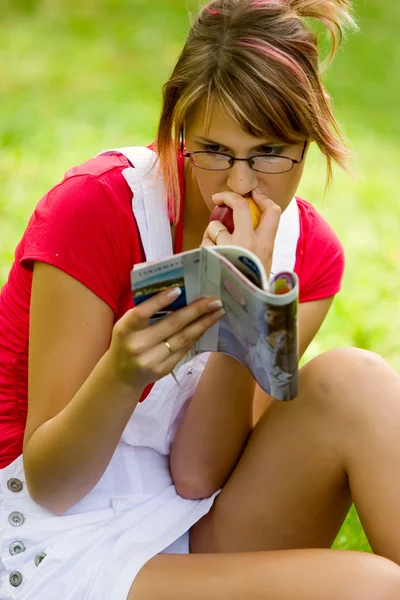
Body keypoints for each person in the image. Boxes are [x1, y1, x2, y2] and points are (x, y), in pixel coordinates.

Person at [1, 0, 400, 598]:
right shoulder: (96, 210)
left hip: (188, 516)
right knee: (371, 586)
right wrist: (119, 371)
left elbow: (197, 474)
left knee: (355, 378)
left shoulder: (310, 257)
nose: (239, 182)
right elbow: (52, 483)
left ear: (308, 145)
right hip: (54, 536)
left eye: (270, 151)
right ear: (178, 130)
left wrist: (245, 295)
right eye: (213, 150)